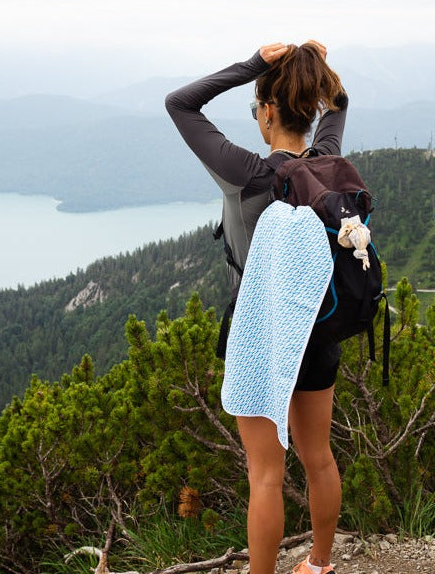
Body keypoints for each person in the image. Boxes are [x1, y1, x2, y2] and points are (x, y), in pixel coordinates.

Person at [165, 42, 347, 574]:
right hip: (317, 327)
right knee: (320, 458)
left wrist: (254, 65)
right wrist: (314, 68)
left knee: (265, 475)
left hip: (257, 335)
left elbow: (181, 103)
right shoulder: (327, 161)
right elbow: (339, 103)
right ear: (311, 108)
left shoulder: (243, 172)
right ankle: (317, 565)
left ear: (267, 111)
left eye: (256, 109)